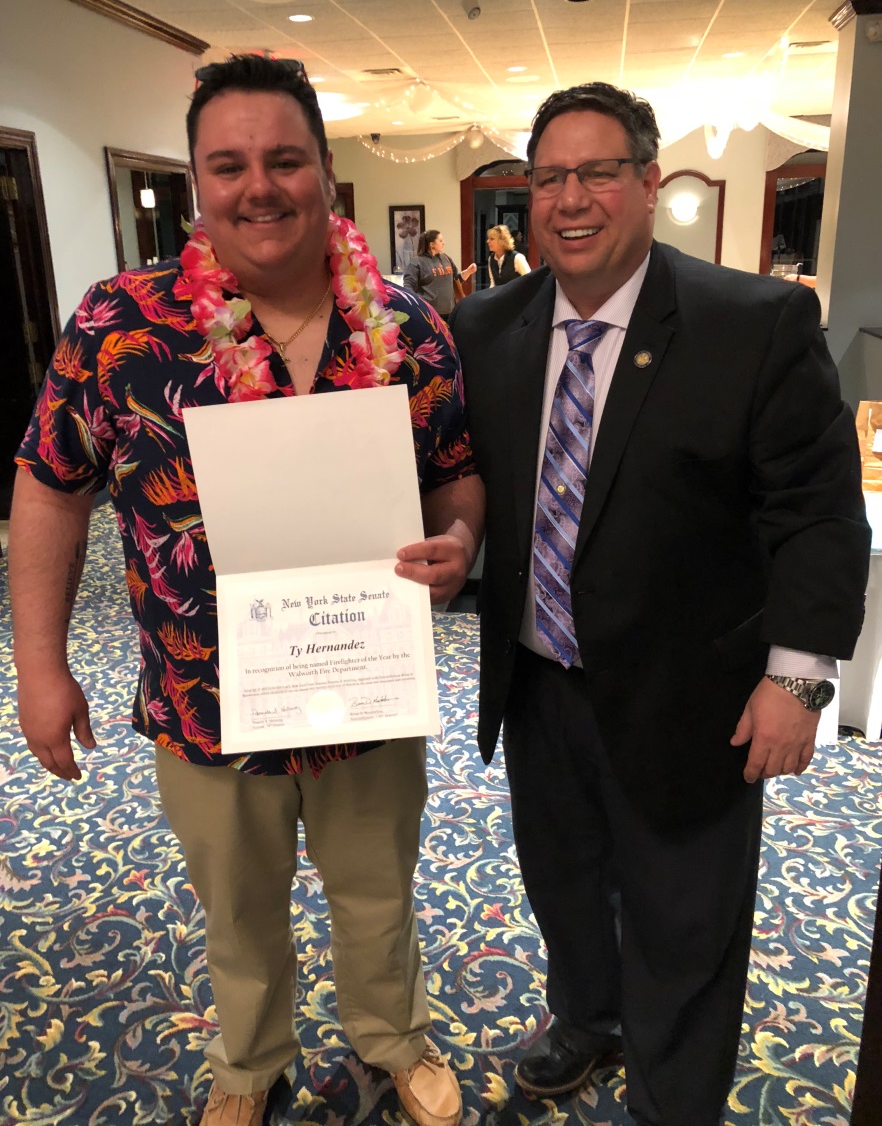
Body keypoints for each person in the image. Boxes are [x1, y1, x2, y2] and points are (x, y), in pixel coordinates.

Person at [10, 55, 484, 1126]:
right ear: (195, 181)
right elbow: (47, 488)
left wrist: (458, 538)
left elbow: (456, 471)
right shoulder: (118, 327)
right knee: (237, 903)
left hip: (367, 685)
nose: (258, 186)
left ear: (324, 171)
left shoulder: (406, 326)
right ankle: (251, 1060)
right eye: (228, 165)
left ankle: (392, 1037)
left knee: (377, 888)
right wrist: (39, 666)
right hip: (203, 695)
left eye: (284, 159)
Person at [449, 81, 869, 1126]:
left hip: (695, 695)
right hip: (541, 684)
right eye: (549, 177)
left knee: (687, 916)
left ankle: (674, 1101)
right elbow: (462, 478)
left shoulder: (756, 322)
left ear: (646, 184)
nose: (570, 199)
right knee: (564, 883)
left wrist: (799, 680)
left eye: (597, 172)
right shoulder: (485, 326)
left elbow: (816, 518)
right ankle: (587, 1020)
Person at [403, 230, 477, 322]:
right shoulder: (416, 262)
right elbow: (408, 286)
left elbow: (456, 279)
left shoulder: (446, 258)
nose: (444, 243)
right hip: (429, 314)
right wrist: (417, 307)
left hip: (450, 312)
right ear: (432, 244)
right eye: (441, 241)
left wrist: (468, 272)